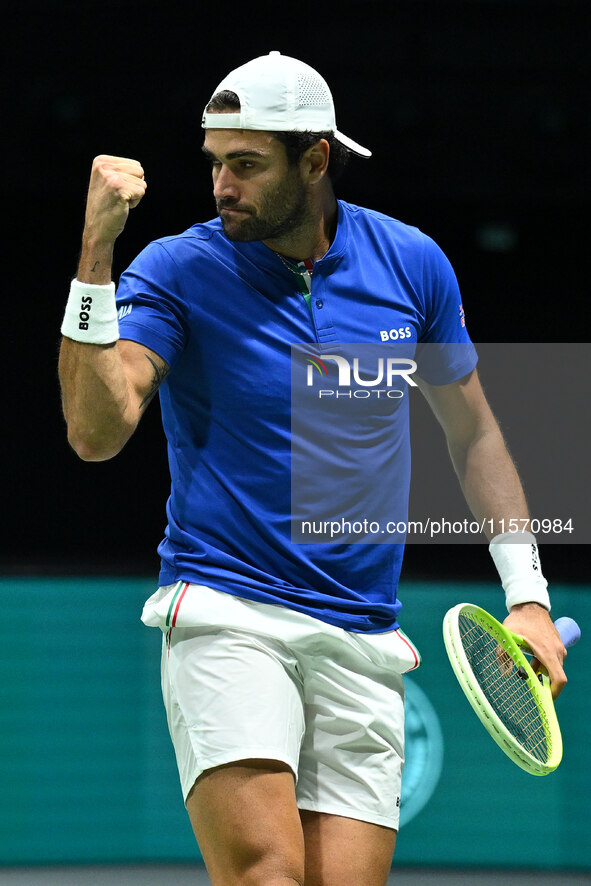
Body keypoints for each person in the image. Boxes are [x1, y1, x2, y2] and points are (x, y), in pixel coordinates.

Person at [58, 51, 568, 886]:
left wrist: (529, 598)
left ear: (316, 159)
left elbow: (472, 435)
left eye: (247, 165)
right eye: (215, 163)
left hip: (362, 632)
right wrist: (94, 252)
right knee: (266, 875)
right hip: (228, 611)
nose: (222, 185)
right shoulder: (179, 270)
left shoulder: (410, 265)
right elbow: (95, 432)